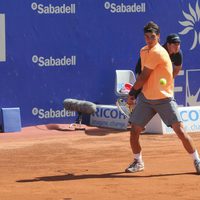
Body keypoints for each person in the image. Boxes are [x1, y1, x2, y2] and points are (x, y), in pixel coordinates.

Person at [126, 21, 200, 174]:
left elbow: (144, 76)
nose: (149, 39)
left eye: (152, 36)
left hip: (164, 98)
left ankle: (196, 160)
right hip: (147, 99)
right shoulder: (144, 50)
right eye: (146, 36)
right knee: (134, 131)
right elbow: (144, 76)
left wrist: (132, 93)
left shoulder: (158, 52)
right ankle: (138, 161)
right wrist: (138, 93)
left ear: (158, 37)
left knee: (180, 131)